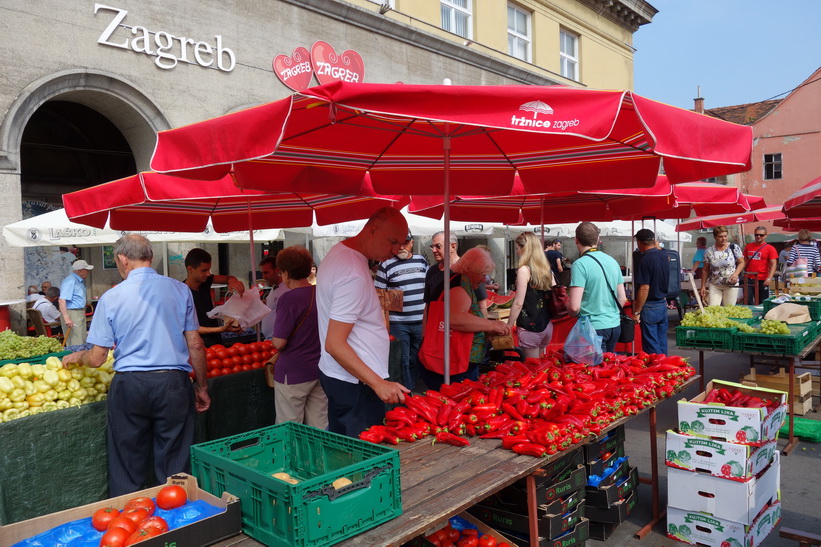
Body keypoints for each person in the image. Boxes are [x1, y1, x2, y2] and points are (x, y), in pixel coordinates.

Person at [62, 235, 209, 497]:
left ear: (122, 259)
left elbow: (96, 359)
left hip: (129, 386)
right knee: (175, 463)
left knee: (127, 463)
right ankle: (178, 523)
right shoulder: (180, 289)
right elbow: (196, 344)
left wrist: (79, 356)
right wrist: (201, 386)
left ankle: (131, 525)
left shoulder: (111, 297)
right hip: (173, 383)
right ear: (150, 257)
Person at [316, 207, 411, 437]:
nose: (397, 250)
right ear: (372, 230)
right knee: (360, 457)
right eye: (392, 241)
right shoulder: (353, 273)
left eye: (401, 243)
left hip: (345, 377)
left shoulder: (339, 253)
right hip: (356, 382)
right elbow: (335, 344)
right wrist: (378, 383)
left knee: (345, 447)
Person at [419, 247, 511, 390]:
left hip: (445, 358)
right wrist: (491, 325)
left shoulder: (452, 279)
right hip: (455, 363)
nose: (483, 280)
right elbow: (456, 319)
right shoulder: (458, 287)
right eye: (481, 274)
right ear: (468, 268)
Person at [271, 246, 328, 429]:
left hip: (293, 372)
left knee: (289, 427)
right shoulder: (320, 293)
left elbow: (279, 343)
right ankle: (319, 458)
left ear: (286, 273)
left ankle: (292, 459)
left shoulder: (288, 299)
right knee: (319, 426)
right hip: (319, 368)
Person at [374, 231, 427, 390]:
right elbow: (379, 296)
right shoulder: (386, 264)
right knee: (402, 360)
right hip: (398, 323)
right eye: (399, 243)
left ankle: (414, 388)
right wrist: (384, 324)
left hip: (421, 321)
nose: (402, 246)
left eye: (406, 242)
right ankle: (408, 393)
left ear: (412, 243)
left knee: (417, 358)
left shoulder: (422, 261)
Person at [568, 222, 626, 353]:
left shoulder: (580, 265)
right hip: (614, 325)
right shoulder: (612, 261)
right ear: (598, 239)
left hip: (593, 327)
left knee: (595, 370)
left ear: (576, 240)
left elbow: (574, 307)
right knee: (609, 368)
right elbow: (622, 299)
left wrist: (568, 308)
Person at [183, 248, 245, 346]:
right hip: (197, 346)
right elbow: (190, 327)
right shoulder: (181, 293)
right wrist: (221, 329)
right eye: (204, 270)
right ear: (190, 269)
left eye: (209, 269)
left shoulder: (205, 281)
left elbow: (228, 278)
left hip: (216, 343)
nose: (208, 273)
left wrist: (233, 281)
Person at [507, 232, 555, 359]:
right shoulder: (546, 269)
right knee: (541, 367)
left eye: (517, 248)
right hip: (546, 325)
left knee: (532, 369)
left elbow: (518, 303)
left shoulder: (524, 270)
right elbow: (556, 290)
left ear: (524, 249)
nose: (516, 252)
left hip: (530, 327)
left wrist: (508, 325)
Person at [632, 229, 670, 355]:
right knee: (661, 341)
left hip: (650, 305)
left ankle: (658, 368)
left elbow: (644, 288)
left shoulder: (645, 260)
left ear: (639, 243)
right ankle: (667, 368)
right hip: (662, 302)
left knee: (652, 345)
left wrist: (637, 311)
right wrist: (657, 247)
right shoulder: (664, 255)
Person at [700, 226, 745, 306]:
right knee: (713, 308)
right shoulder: (709, 251)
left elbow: (741, 262)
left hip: (730, 284)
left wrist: (736, 274)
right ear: (715, 237)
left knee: (729, 309)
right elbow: (705, 270)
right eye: (720, 237)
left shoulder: (734, 248)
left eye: (725, 236)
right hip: (715, 284)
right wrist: (703, 286)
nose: (724, 238)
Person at [58, 259, 94, 346]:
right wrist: (67, 318)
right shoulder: (71, 281)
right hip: (72, 312)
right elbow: (62, 300)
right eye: (87, 270)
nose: (88, 272)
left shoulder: (78, 281)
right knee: (76, 341)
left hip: (78, 312)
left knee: (81, 339)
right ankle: (74, 358)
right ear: (80, 271)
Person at [423, 230, 460, 305]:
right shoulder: (432, 271)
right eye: (432, 246)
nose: (434, 250)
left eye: (438, 246)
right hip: (436, 316)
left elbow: (481, 304)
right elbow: (428, 304)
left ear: (453, 247)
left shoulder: (468, 270)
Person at [743, 226, 778, 304]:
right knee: (747, 300)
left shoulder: (770, 248)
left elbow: (773, 264)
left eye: (761, 235)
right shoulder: (748, 246)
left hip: (762, 279)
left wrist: (769, 278)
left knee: (762, 301)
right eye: (756, 235)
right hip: (749, 278)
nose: (758, 236)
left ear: (765, 235)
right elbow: (744, 261)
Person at [259, 255, 288, 339]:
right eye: (263, 273)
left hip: (279, 340)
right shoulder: (275, 287)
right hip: (271, 340)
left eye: (266, 272)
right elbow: (273, 305)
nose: (263, 277)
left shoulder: (286, 290)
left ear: (277, 270)